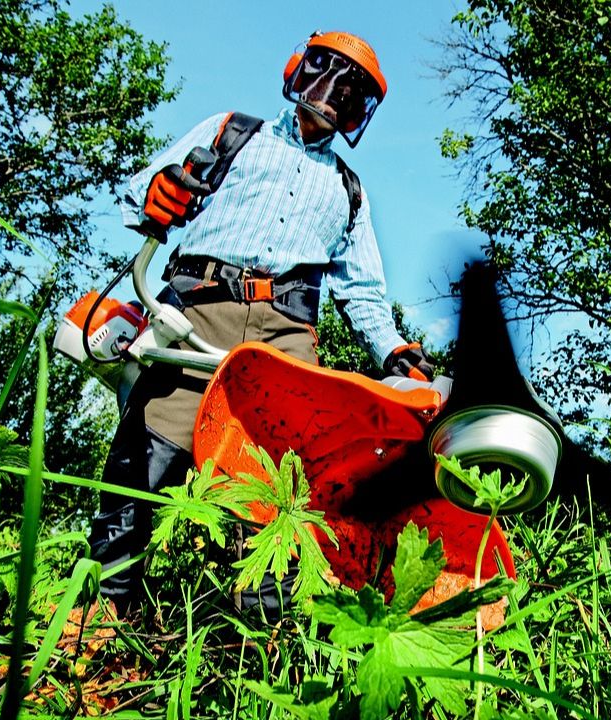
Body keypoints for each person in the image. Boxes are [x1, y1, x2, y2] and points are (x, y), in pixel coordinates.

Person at [88, 30, 436, 613]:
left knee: (284, 487)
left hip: (285, 335)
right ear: (298, 70)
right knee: (147, 459)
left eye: (351, 95)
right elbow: (140, 193)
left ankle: (256, 636)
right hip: (200, 308)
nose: (332, 98)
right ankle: (98, 614)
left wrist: (393, 351)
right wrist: (159, 193)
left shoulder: (349, 190)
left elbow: (364, 293)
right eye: (325, 76)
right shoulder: (233, 132)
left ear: (360, 113)